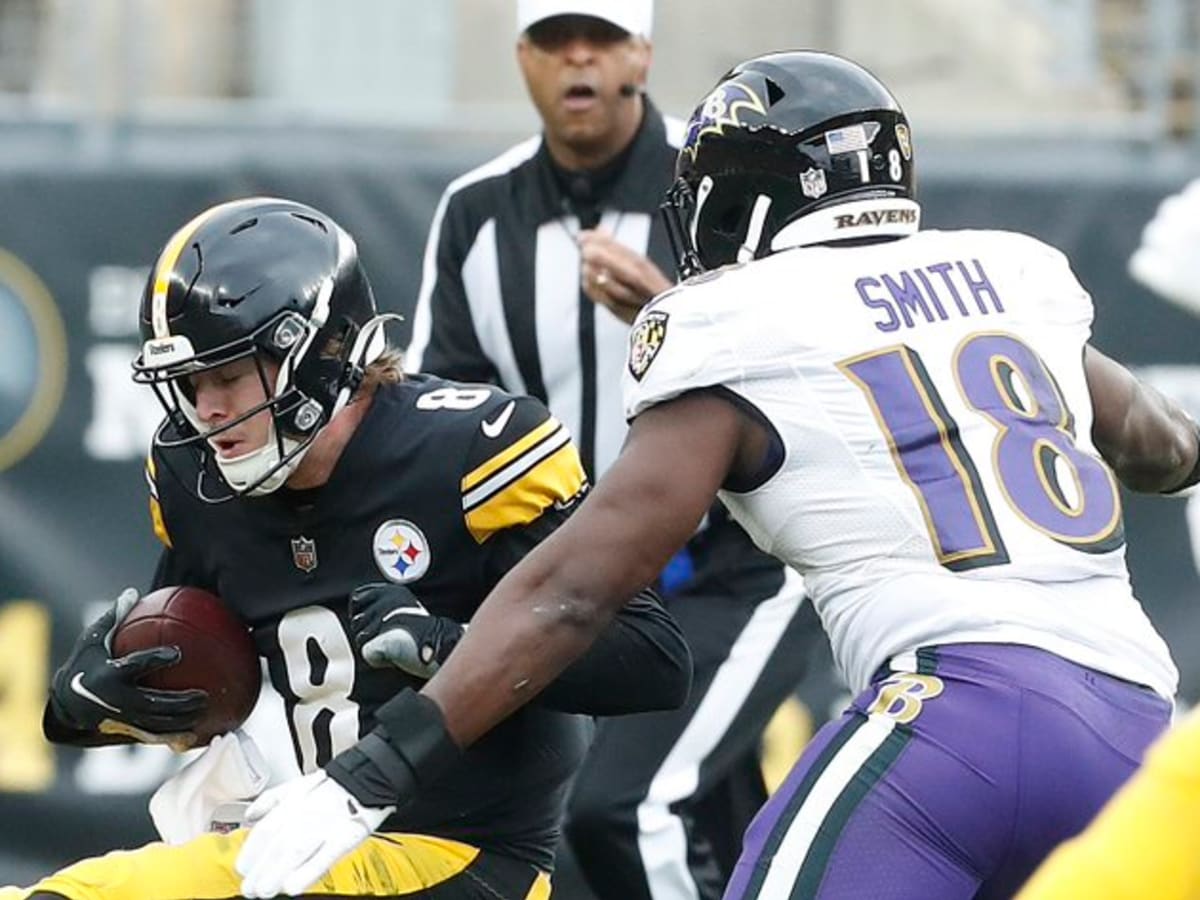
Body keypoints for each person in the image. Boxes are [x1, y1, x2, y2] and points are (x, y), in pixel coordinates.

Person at [236, 50, 1200, 899]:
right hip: (1136, 726)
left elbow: (576, 591)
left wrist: (380, 767)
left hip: (955, 727)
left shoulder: (736, 322)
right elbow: (1166, 448)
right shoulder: (1011, 276)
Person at [5, 196, 693, 900]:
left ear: (321, 352)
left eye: (228, 375)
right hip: (310, 845)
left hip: (467, 864)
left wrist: (446, 646)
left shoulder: (467, 450)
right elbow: (202, 687)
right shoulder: (197, 479)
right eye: (188, 384)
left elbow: (653, 663)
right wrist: (91, 707)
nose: (206, 411)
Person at [406, 4, 816, 898]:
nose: (577, 57)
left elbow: (800, 375)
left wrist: (667, 315)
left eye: (600, 37)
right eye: (554, 40)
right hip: (575, 586)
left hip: (728, 566)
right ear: (523, 59)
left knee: (626, 810)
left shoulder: (726, 188)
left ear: (642, 53)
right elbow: (451, 412)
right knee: (707, 821)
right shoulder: (478, 212)